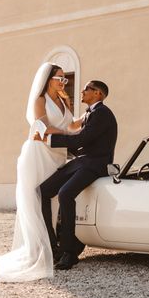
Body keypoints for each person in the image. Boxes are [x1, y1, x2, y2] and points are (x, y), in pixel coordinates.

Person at [0, 62, 82, 282]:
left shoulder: (62, 100)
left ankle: (53, 245)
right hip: (39, 153)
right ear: (48, 79)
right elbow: (43, 127)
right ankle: (39, 248)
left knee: (54, 201)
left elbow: (70, 126)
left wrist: (88, 120)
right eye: (59, 77)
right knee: (37, 198)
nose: (63, 81)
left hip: (57, 154)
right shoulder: (40, 100)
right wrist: (71, 138)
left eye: (64, 78)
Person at [40, 80, 117, 270]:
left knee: (65, 193)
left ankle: (69, 252)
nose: (82, 91)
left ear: (98, 93)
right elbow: (77, 138)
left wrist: (49, 138)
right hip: (81, 162)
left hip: (96, 164)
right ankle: (53, 245)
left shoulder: (103, 113)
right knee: (43, 190)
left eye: (87, 89)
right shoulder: (91, 113)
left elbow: (82, 139)